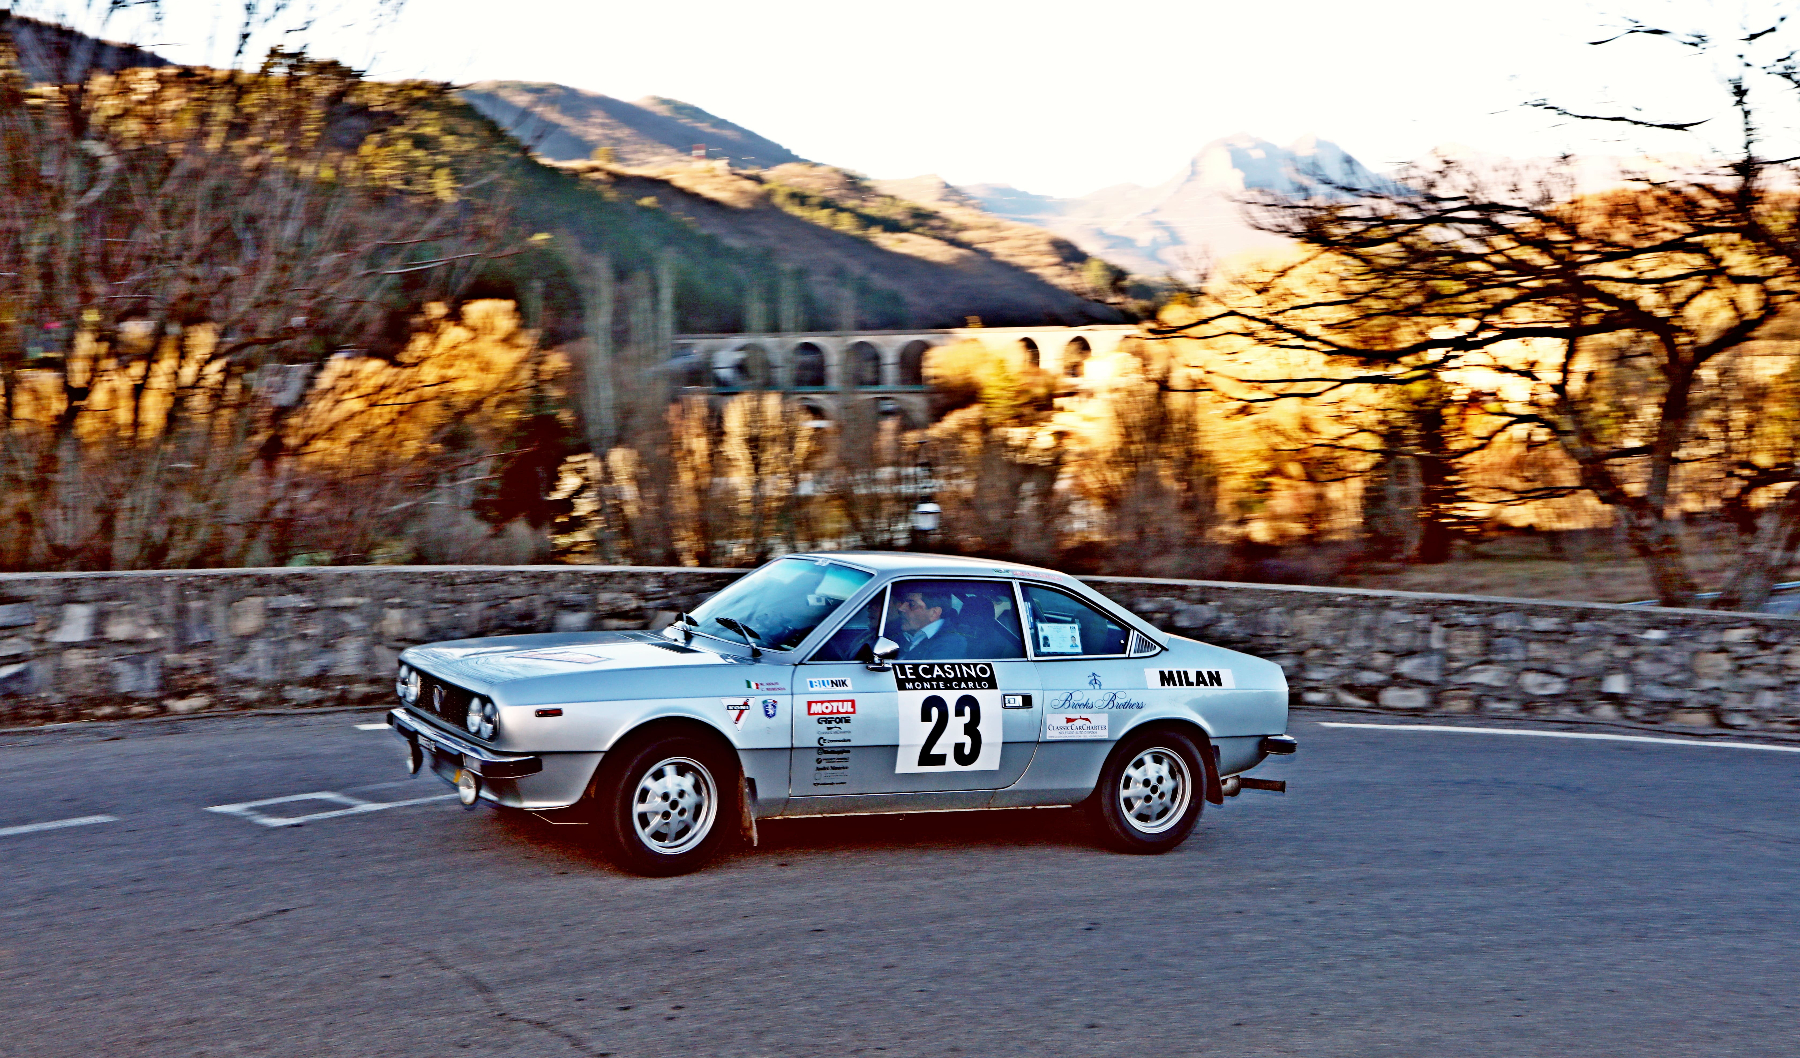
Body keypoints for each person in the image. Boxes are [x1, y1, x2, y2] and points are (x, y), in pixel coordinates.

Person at [892, 587, 972, 660]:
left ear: (934, 613)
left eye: (912, 605)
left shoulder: (952, 643)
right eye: (903, 603)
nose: (901, 608)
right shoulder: (899, 636)